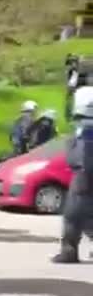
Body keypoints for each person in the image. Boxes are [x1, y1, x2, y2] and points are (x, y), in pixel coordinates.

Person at [52, 87, 93, 264]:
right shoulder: (82, 131)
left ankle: (69, 252)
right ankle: (69, 251)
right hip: (83, 176)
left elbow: (77, 157)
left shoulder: (84, 132)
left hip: (83, 177)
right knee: (77, 215)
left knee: (73, 216)